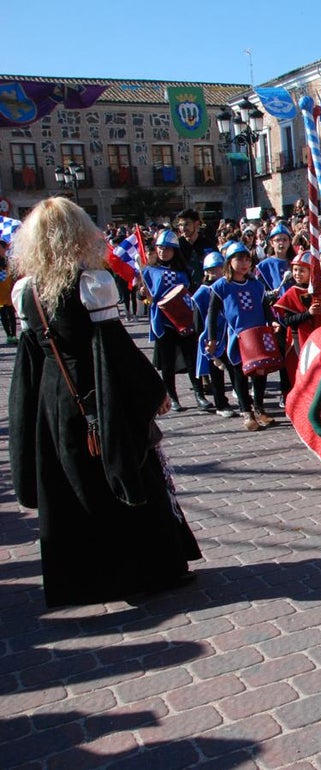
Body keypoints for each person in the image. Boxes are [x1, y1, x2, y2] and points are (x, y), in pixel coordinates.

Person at [9, 197, 201, 606]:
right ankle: (147, 571)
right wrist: (153, 392)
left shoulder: (26, 291)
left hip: (53, 401)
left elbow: (29, 361)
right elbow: (113, 348)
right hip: (98, 394)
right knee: (127, 472)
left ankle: (87, 580)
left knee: (71, 486)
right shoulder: (91, 283)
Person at [205, 241, 278, 432]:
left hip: (258, 334)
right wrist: (212, 338)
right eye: (239, 259)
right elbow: (212, 314)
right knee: (239, 374)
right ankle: (246, 411)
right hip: (237, 337)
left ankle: (259, 408)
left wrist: (272, 322)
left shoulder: (256, 285)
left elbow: (265, 307)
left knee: (260, 372)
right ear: (229, 262)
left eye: (247, 259)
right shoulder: (221, 286)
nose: (244, 263)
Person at [141, 229, 205, 411]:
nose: (163, 252)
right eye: (160, 248)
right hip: (163, 320)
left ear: (174, 250)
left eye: (167, 248)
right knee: (167, 362)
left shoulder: (184, 271)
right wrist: (142, 293)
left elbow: (191, 291)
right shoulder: (149, 271)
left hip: (183, 318)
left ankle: (199, 394)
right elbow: (144, 294)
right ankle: (172, 396)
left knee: (191, 358)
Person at [273, 251, 321, 390]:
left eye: (302, 270)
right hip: (298, 339)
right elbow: (288, 321)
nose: (297, 274)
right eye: (295, 270)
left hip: (319, 337)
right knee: (298, 371)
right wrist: (308, 313)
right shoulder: (291, 293)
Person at [191, 252, 235, 416]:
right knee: (216, 374)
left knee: (234, 369)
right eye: (214, 269)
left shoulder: (227, 286)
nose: (218, 272)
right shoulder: (202, 292)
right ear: (207, 271)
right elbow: (198, 321)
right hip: (211, 338)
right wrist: (204, 339)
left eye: (220, 268)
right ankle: (221, 404)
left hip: (228, 335)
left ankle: (242, 398)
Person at [0, 233, 16, 343]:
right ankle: (8, 335)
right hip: (1, 294)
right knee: (3, 314)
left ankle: (13, 335)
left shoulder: (8, 261)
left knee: (11, 314)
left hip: (9, 292)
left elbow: (12, 275)